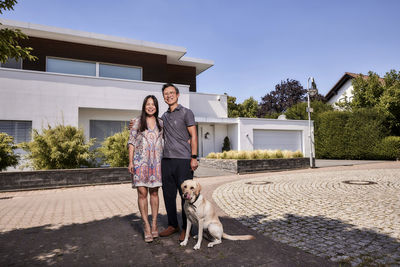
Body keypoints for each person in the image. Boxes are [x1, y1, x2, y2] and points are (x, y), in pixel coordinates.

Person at [158, 83, 198, 242]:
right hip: (166, 161)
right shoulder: (164, 117)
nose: (169, 96)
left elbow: (193, 136)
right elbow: (150, 125)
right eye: (166, 94)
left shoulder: (187, 113)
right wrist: (134, 123)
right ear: (164, 97)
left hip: (183, 160)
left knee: (186, 197)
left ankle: (186, 229)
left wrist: (194, 157)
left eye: (171, 93)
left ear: (177, 94)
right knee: (168, 196)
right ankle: (172, 225)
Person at [128, 95, 163, 243]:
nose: (150, 106)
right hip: (139, 162)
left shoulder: (161, 122)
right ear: (144, 106)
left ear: (156, 107)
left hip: (156, 163)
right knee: (142, 193)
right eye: (148, 104)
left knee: (154, 192)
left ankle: (154, 222)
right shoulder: (136, 121)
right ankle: (146, 225)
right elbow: (131, 142)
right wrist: (130, 162)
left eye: (153, 104)